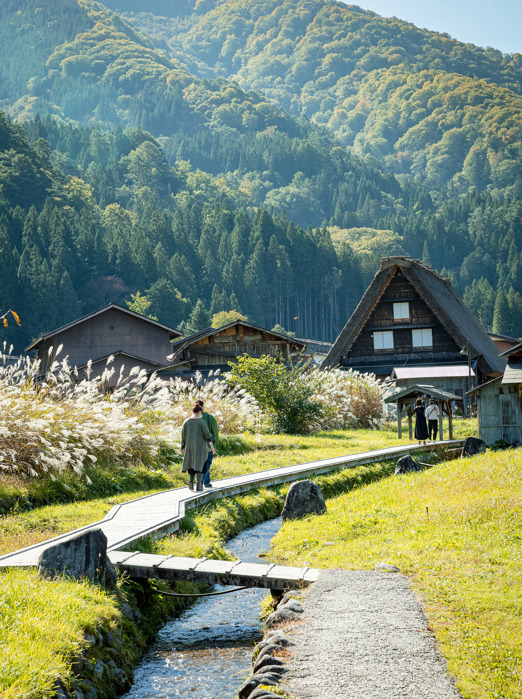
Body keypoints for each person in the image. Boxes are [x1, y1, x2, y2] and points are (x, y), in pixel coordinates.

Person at [181, 402, 215, 491]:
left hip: (189, 448)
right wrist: (212, 446)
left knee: (192, 465)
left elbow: (183, 435)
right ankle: (198, 486)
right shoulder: (201, 422)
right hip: (200, 448)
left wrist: (182, 447)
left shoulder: (186, 422)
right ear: (200, 412)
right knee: (201, 465)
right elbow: (207, 436)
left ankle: (191, 481)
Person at [196, 399, 218, 488]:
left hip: (197, 444)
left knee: (203, 463)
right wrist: (216, 444)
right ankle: (201, 480)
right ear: (203, 407)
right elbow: (215, 432)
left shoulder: (194, 418)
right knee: (208, 462)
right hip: (209, 444)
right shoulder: (210, 417)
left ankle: (206, 483)